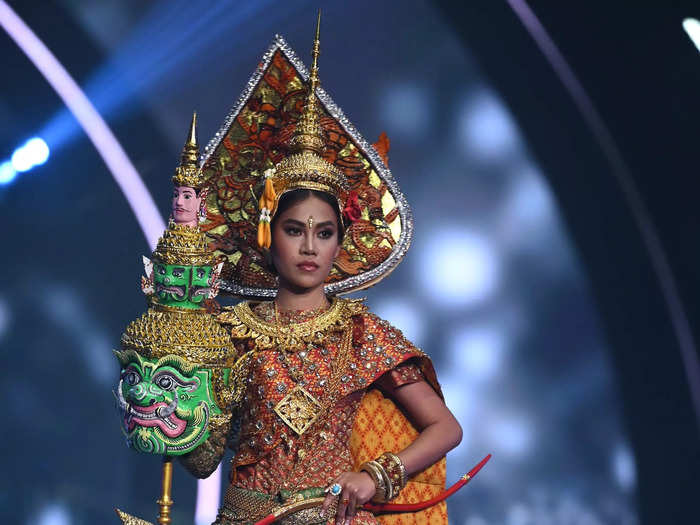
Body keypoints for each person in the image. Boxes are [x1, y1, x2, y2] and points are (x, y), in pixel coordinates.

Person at [179, 16, 462, 525]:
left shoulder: (361, 334)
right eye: (294, 230)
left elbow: (445, 428)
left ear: (339, 243)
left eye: (324, 233)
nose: (309, 246)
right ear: (268, 235)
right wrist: (164, 403)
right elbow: (200, 463)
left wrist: (375, 475)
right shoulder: (227, 333)